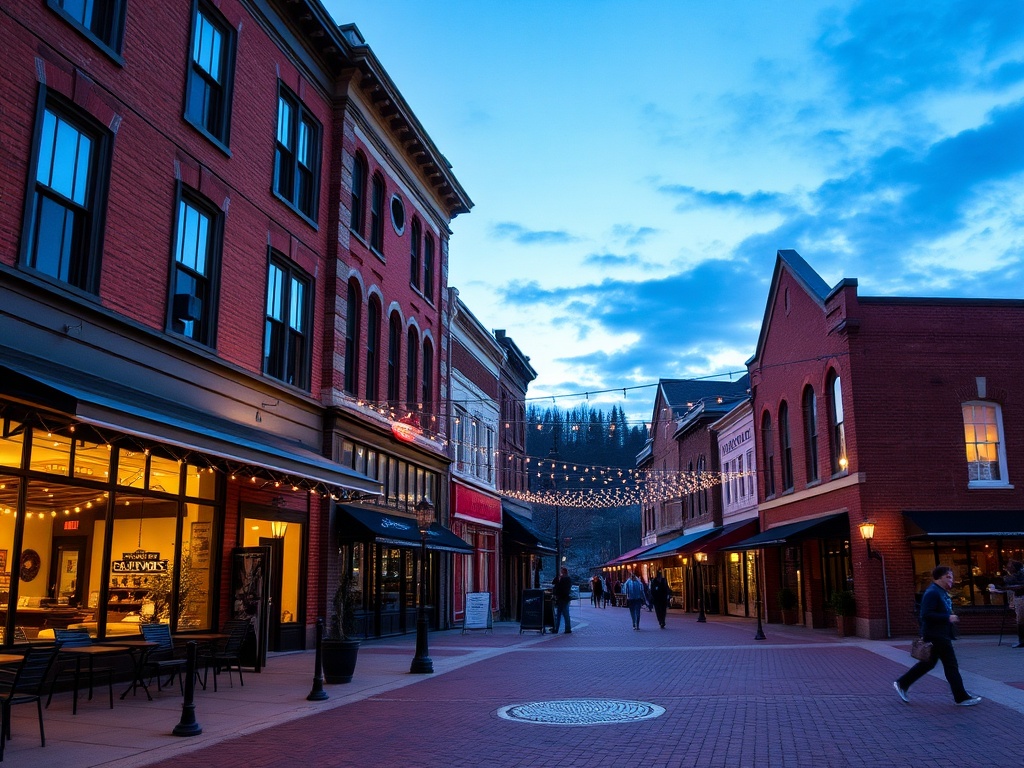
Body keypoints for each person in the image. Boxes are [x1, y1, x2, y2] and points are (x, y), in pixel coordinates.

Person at [893, 565, 981, 707]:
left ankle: (902, 683)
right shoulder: (932, 592)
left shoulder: (940, 592)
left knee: (929, 663)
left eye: (951, 577)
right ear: (940, 578)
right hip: (936, 635)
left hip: (940, 634)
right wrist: (947, 617)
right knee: (951, 665)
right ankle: (961, 697)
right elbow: (925, 615)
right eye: (949, 577)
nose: (951, 580)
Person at [989, 559, 1024, 648]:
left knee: (1020, 620)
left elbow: (1021, 586)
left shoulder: (1019, 575)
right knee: (1020, 620)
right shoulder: (1013, 576)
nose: (1007, 567)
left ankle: (1022, 641)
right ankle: (1021, 640)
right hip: (1018, 598)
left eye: (1009, 565)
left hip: (1021, 598)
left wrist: (1006, 588)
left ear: (1014, 567)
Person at [552, 566, 572, 634]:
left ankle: (557, 629)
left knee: (560, 614)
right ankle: (567, 628)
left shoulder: (564, 579)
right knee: (565, 614)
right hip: (564, 598)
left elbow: (557, 586)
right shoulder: (567, 579)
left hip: (562, 598)